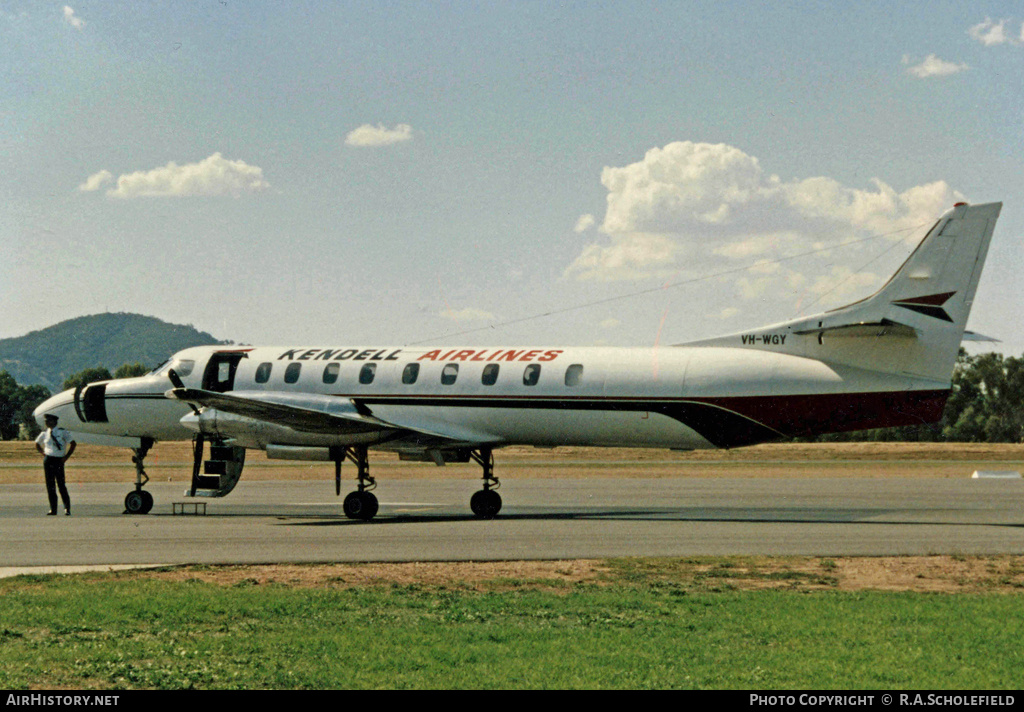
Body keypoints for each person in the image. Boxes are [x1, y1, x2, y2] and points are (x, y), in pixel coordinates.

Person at [35, 414, 76, 516]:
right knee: (50, 486)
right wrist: (43, 453)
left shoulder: (62, 432)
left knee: (61, 485)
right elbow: (37, 443)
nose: (46, 422)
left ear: (54, 421)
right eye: (46, 420)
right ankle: (53, 509)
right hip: (48, 459)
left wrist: (66, 457)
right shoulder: (44, 433)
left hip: (59, 460)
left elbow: (73, 443)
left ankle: (67, 508)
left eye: (49, 420)